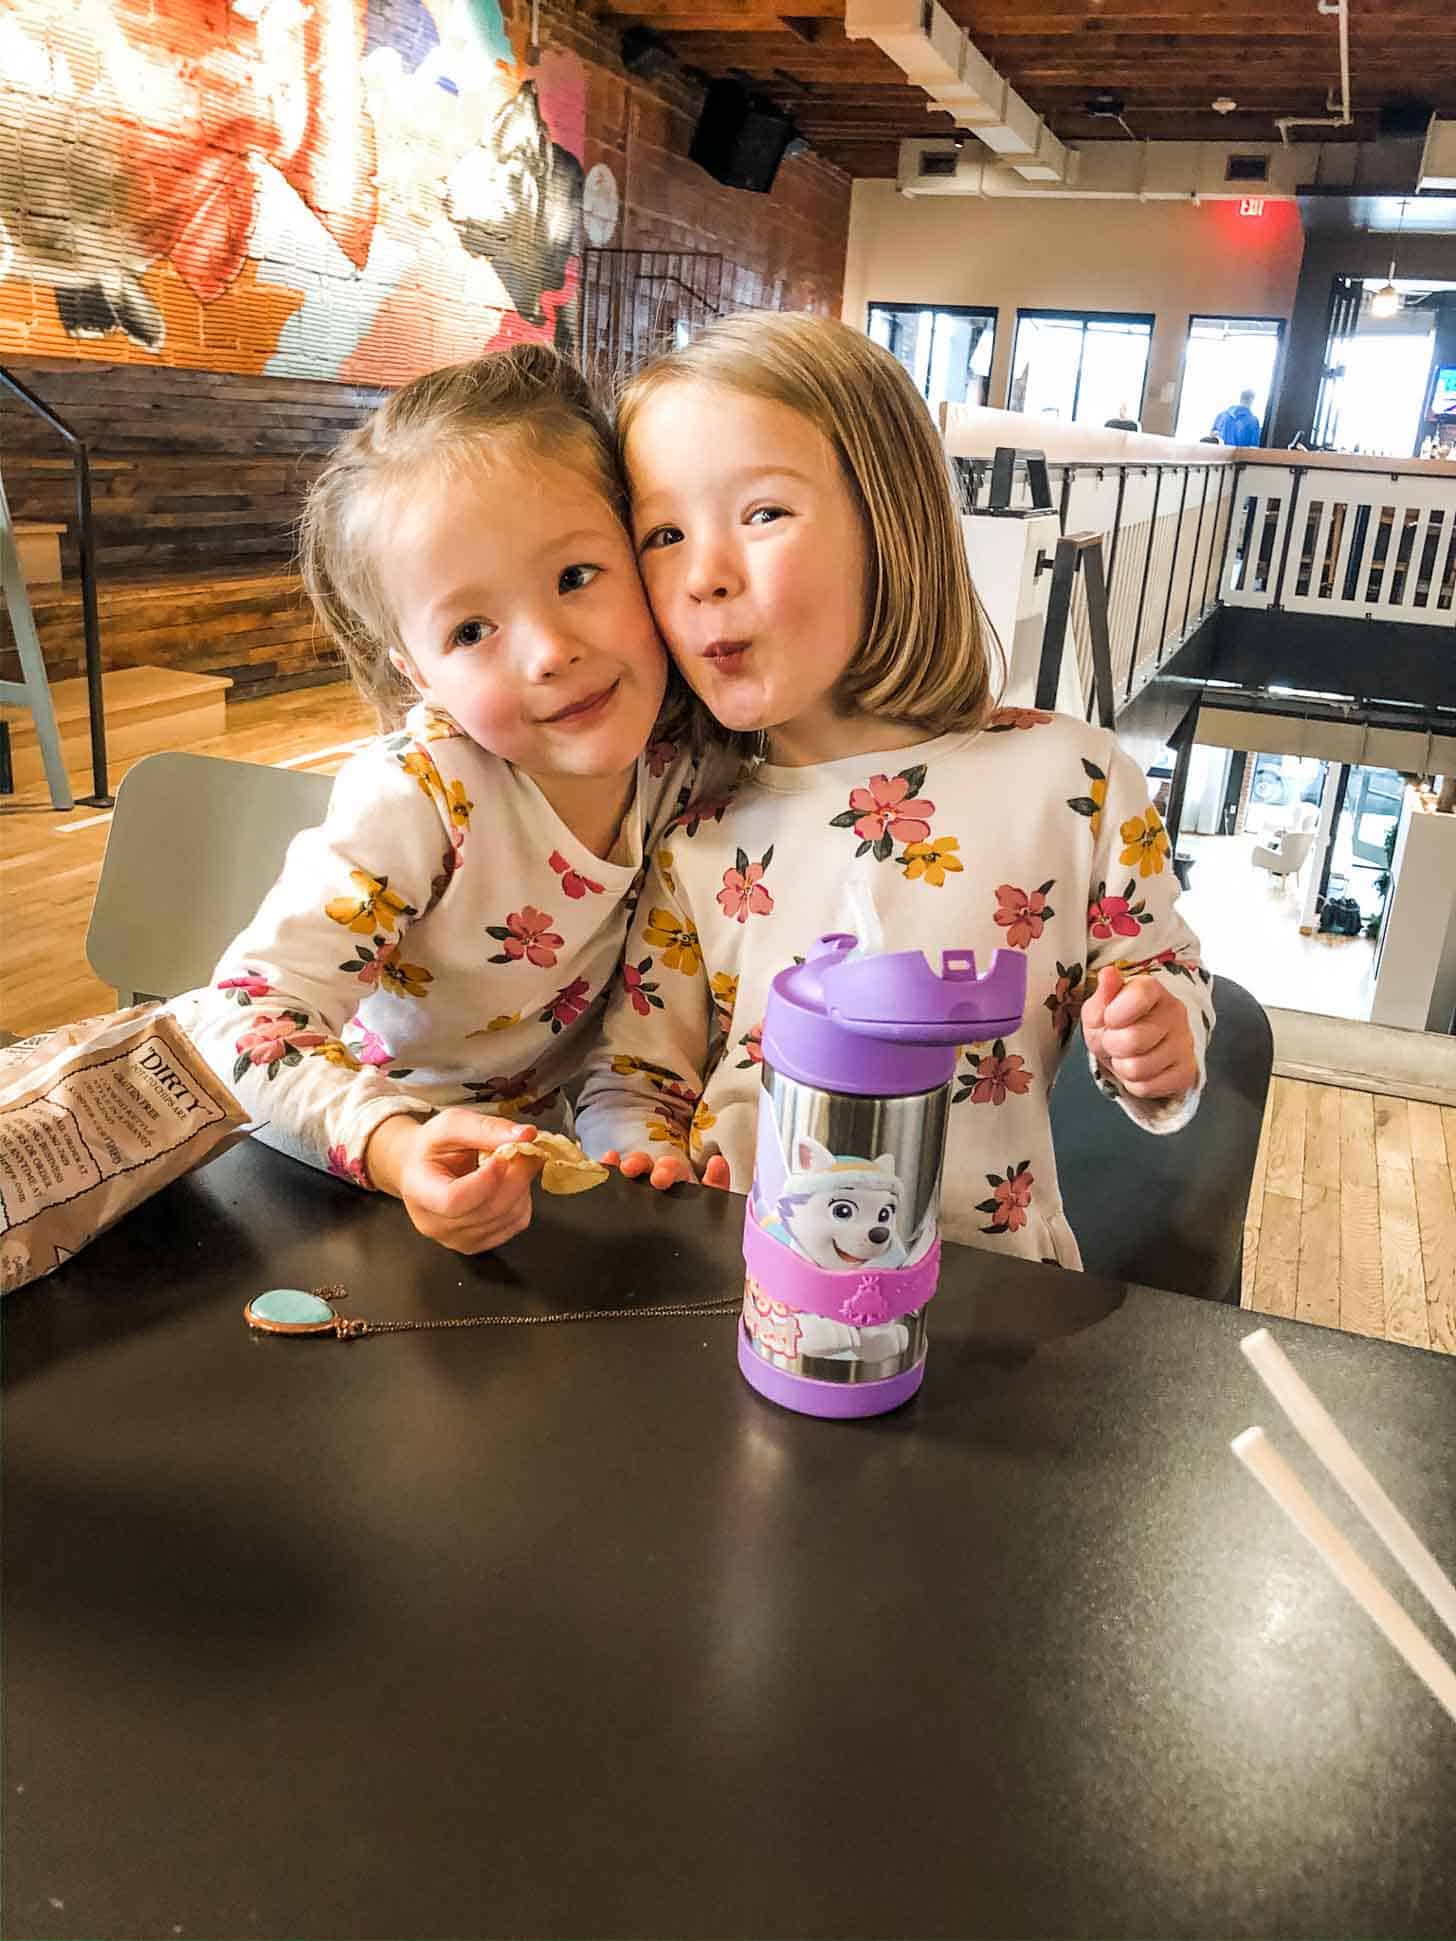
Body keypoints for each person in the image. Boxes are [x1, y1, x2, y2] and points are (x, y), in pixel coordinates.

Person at [575, 312, 1215, 1266]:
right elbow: (632, 1076)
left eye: (763, 514)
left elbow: (1168, 974)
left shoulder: (1074, 781)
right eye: (663, 533)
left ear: (893, 523)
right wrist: (647, 1162)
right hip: (749, 1293)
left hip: (996, 1307)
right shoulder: (695, 829)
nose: (704, 574)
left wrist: (1161, 1039)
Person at [174, 345, 719, 1254]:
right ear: (416, 672)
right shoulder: (421, 795)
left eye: (578, 576)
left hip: (560, 1188)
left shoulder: (692, 757)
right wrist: (398, 1146)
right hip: (363, 1184)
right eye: (471, 630)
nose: (547, 651)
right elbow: (239, 1019)